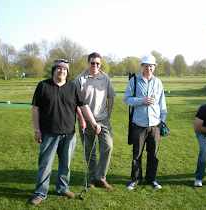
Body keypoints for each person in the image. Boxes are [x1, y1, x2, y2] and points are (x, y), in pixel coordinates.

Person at [30, 59, 101, 205]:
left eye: (64, 69)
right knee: (45, 165)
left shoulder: (72, 87)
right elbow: (35, 109)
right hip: (48, 133)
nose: (62, 71)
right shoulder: (43, 86)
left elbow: (83, 106)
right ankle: (40, 193)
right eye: (59, 68)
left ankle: (62, 188)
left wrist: (93, 122)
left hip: (69, 133)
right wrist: (37, 130)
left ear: (67, 72)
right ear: (53, 70)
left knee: (65, 164)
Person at [123, 55, 167, 190]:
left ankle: (151, 179)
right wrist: (142, 101)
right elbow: (127, 99)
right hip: (138, 124)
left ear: (154, 67)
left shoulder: (158, 82)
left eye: (151, 66)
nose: (148, 68)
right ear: (142, 66)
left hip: (155, 125)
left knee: (153, 155)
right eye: (146, 65)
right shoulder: (134, 81)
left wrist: (161, 121)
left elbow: (162, 103)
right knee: (137, 154)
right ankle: (135, 179)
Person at [75, 52, 116, 189]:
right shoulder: (80, 79)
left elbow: (111, 96)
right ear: (88, 63)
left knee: (108, 146)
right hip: (86, 121)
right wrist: (81, 119)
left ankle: (100, 177)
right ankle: (93, 178)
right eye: (92, 63)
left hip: (103, 120)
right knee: (89, 151)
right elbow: (75, 102)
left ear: (100, 64)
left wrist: (108, 114)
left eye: (98, 63)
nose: (95, 65)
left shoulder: (105, 78)